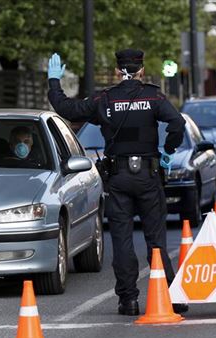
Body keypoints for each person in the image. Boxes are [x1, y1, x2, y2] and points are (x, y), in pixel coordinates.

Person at [47, 49, 187, 316]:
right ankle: (171, 296)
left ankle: (128, 300)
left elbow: (66, 109)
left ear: (117, 70)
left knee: (122, 240)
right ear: (142, 70)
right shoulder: (152, 96)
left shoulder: (105, 99)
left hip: (119, 177)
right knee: (156, 239)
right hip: (148, 175)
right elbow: (177, 123)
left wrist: (54, 82)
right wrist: (169, 150)